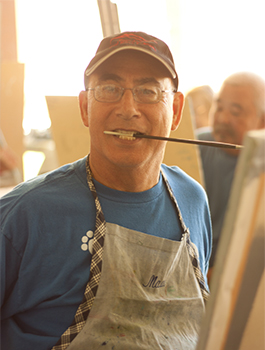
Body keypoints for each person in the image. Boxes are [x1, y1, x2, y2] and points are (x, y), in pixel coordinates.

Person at [1, 31, 212, 350]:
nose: (128, 108)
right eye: (110, 89)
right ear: (85, 107)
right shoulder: (25, 215)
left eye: (149, 90)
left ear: (177, 110)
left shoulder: (193, 200)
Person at [197, 72, 265, 278]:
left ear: (262, 121)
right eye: (219, 107)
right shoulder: (196, 146)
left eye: (236, 112)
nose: (222, 118)